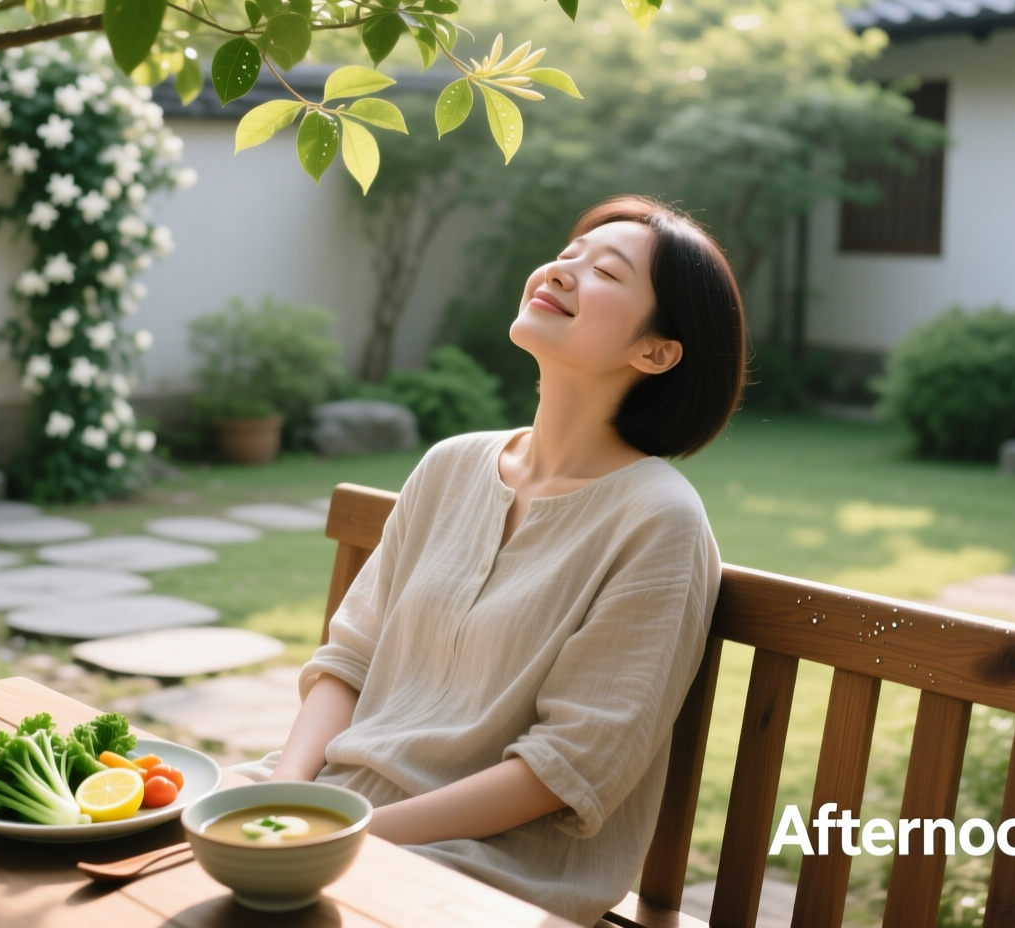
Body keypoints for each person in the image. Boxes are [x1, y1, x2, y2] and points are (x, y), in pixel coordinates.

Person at [229, 195, 747, 926]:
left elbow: (569, 764)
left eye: (604, 270)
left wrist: (349, 836)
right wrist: (283, 796)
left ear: (656, 351)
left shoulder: (658, 519)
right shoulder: (450, 464)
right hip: (333, 810)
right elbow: (350, 659)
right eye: (568, 253)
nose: (563, 270)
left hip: (485, 867)